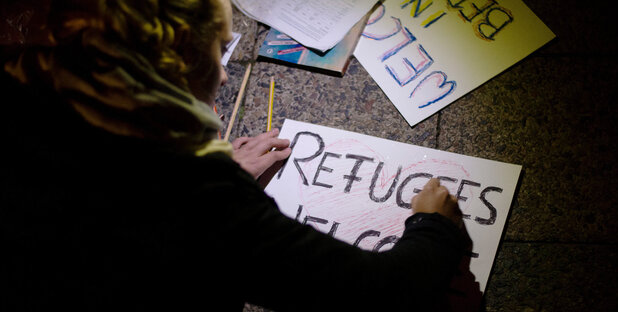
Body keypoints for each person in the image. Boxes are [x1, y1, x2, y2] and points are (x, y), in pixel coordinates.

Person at [0, 0, 472, 311]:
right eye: (219, 51)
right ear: (173, 67)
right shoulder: (196, 201)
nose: (226, 77)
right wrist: (435, 228)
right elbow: (383, 295)